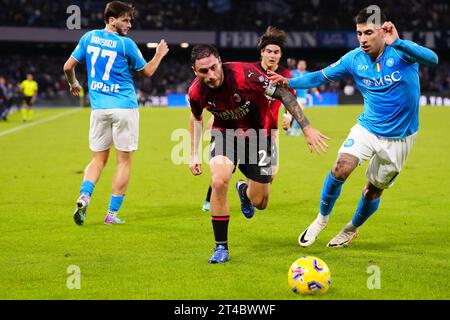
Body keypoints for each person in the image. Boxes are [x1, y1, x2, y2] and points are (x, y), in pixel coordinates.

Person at [269, 7, 439, 248]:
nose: (363, 39)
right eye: (359, 33)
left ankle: (351, 229)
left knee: (372, 191)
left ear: (383, 30)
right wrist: (290, 81)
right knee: (341, 167)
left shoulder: (401, 52)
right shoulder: (354, 59)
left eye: (368, 33)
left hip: (400, 138)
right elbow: (320, 76)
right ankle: (321, 219)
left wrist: (399, 42)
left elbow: (433, 60)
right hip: (368, 128)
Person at [188, 44, 329, 263]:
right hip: (225, 135)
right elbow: (196, 118)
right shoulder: (196, 91)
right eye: (203, 71)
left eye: (213, 67)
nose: (211, 75)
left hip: (259, 138)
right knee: (218, 181)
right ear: (195, 71)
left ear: (220, 61)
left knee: (260, 202)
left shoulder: (246, 75)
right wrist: (193, 154)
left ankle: (244, 191)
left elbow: (284, 94)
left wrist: (306, 128)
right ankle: (221, 247)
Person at [63, 1, 169, 226]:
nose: (129, 24)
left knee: (97, 159)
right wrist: (159, 54)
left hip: (99, 108)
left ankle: (84, 196)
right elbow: (148, 71)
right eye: (125, 19)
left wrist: (73, 84)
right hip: (124, 107)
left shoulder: (89, 37)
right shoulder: (126, 44)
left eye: (130, 20)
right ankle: (111, 214)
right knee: (124, 162)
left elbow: (67, 67)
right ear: (111, 20)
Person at [201, 26, 294, 212]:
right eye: (269, 51)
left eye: (276, 52)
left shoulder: (286, 76)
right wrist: (216, 117)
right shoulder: (249, 71)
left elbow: (290, 99)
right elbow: (227, 97)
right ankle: (210, 197)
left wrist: (289, 117)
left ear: (280, 55)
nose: (272, 55)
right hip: (239, 127)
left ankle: (244, 191)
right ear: (262, 53)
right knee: (226, 167)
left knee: (271, 175)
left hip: (269, 132)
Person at [286, 60, 322, 137]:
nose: (302, 65)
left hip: (302, 98)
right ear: (297, 65)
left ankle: (296, 131)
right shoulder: (292, 73)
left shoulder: (308, 74)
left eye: (303, 64)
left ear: (305, 66)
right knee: (289, 114)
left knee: (298, 114)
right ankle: (288, 129)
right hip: (291, 96)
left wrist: (317, 94)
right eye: (300, 64)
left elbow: (312, 86)